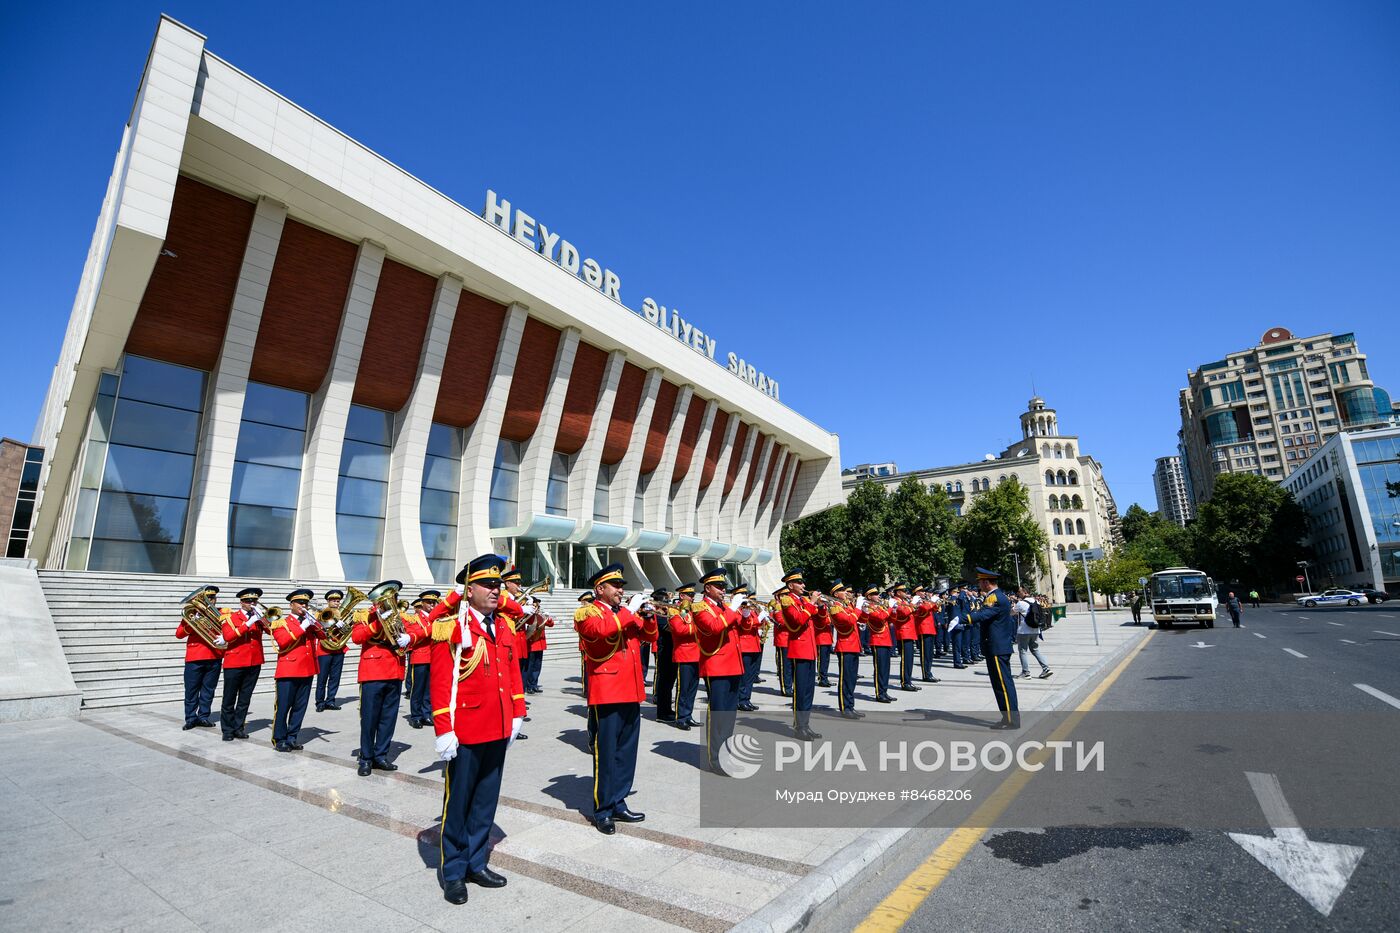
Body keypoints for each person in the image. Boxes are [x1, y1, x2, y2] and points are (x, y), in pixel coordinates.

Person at [427, 553, 525, 905]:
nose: (495, 590)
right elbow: (441, 682)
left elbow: (512, 672)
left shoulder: (504, 625)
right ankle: (454, 871)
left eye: (498, 584)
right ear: (469, 590)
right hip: (466, 730)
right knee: (458, 804)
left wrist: (517, 712)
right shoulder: (452, 626)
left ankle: (476, 862)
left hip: (497, 726)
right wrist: (443, 727)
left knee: (485, 801)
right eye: (487, 584)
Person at [576, 563, 657, 835]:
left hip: (631, 690)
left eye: (622, 586)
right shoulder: (588, 612)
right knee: (607, 753)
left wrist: (649, 616)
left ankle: (619, 802)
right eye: (616, 586)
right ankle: (603, 810)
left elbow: (650, 636)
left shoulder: (623, 612)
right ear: (600, 588)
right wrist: (629, 611)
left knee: (626, 752)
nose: (621, 590)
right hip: (608, 691)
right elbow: (599, 632)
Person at [351, 583, 416, 776]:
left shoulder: (401, 617)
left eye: (393, 597)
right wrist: (378, 623)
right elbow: (357, 637)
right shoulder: (364, 615)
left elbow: (416, 635)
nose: (390, 601)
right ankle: (366, 758)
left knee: (388, 718)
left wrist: (409, 638)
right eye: (386, 598)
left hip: (395, 671)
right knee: (369, 718)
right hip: (373, 672)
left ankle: (381, 755)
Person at [693, 569, 744, 772]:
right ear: (707, 588)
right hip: (717, 666)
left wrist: (745, 614)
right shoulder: (700, 608)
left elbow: (740, 628)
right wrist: (733, 609)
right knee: (718, 715)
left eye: (724, 587)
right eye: (719, 587)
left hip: (733, 665)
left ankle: (726, 755)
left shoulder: (724, 607)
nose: (723, 590)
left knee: (729, 716)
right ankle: (716, 759)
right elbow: (714, 627)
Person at [270, 589, 322, 752]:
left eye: (305, 603)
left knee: (300, 707)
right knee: (283, 707)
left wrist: (315, 623)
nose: (303, 606)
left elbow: (324, 636)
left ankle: (292, 737)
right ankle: (279, 739)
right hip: (288, 670)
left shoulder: (309, 621)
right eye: (300, 603)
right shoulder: (281, 623)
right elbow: (283, 641)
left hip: (307, 670)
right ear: (291, 605)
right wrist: (302, 626)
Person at [970, 568, 1019, 729]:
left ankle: (1012, 719)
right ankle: (1007, 717)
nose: (979, 585)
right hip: (995, 646)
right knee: (999, 684)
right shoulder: (995, 596)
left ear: (986, 582)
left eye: (980, 582)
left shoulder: (995, 597)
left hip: (997, 647)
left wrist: (964, 618)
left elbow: (984, 615)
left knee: (1003, 684)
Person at [219, 587, 267, 741]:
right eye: (248, 601)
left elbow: (272, 630)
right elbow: (228, 636)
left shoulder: (258, 618)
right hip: (235, 662)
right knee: (229, 698)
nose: (251, 603)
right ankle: (227, 730)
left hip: (254, 662)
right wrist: (248, 623)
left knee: (245, 698)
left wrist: (262, 618)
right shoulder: (231, 617)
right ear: (241, 602)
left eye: (254, 601)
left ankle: (238, 728)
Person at [778, 568, 820, 740]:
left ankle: (806, 724)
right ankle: (799, 726)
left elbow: (818, 618)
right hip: (799, 649)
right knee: (800, 691)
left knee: (809, 691)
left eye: (803, 582)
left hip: (809, 649)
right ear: (790, 585)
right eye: (799, 582)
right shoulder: (787, 600)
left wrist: (820, 606)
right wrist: (812, 603)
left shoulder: (803, 600)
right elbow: (798, 620)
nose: (803, 585)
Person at [176, 585, 224, 729]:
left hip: (214, 656)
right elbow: (179, 634)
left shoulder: (221, 613)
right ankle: (190, 718)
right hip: (195, 657)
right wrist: (192, 623)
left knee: (208, 690)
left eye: (212, 598)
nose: (210, 601)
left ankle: (203, 717)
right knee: (191, 690)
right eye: (207, 598)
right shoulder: (191, 614)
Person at [669, 585, 701, 730]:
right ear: (682, 596)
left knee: (693, 689)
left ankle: (688, 715)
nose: (692, 597)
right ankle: (680, 717)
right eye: (689, 595)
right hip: (684, 654)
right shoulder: (674, 610)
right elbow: (680, 630)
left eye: (693, 595)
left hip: (697, 653)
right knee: (683, 689)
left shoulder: (693, 610)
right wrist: (700, 627)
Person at [829, 584, 863, 719]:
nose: (846, 593)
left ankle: (850, 706)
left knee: (852, 679)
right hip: (845, 646)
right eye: (842, 591)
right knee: (846, 679)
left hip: (853, 645)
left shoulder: (846, 606)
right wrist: (858, 607)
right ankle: (845, 708)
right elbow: (849, 620)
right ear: (836, 594)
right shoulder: (836, 607)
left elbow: (860, 619)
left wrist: (865, 611)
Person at [406, 590, 440, 728]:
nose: (432, 605)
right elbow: (413, 635)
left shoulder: (437, 618)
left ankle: (427, 714)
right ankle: (416, 716)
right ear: (423, 603)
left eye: (434, 602)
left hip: (434, 657)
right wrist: (432, 628)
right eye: (429, 602)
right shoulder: (414, 619)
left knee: (429, 689)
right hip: (420, 657)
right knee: (418, 689)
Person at [651, 585, 684, 723]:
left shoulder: (666, 612)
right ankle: (662, 712)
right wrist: (680, 619)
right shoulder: (658, 613)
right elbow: (667, 627)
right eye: (665, 600)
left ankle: (667, 709)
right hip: (664, 649)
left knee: (670, 681)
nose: (667, 602)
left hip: (671, 649)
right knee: (664, 682)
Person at [315, 589, 349, 711]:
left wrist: (345, 626)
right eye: (333, 600)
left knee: (335, 678)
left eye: (338, 600)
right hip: (324, 650)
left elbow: (348, 630)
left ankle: (330, 701)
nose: (336, 602)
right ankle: (320, 702)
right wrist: (333, 624)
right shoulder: (321, 613)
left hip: (338, 649)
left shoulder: (343, 614)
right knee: (322, 678)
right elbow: (318, 627)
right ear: (328, 601)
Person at [733, 583, 764, 712]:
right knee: (744, 676)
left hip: (754, 645)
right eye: (742, 595)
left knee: (750, 676)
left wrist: (762, 617)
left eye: (745, 594)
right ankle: (741, 700)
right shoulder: (736, 610)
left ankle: (746, 699)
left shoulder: (749, 609)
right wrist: (758, 619)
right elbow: (744, 625)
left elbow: (756, 623)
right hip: (744, 646)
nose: (745, 597)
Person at [1013, 586, 1052, 680]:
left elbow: (1011, 612)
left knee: (1023, 651)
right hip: (1035, 629)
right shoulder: (1036, 602)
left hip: (1024, 631)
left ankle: (1026, 672)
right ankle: (1046, 668)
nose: (1018, 593)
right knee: (1035, 649)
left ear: (1025, 592)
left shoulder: (1021, 603)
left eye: (1019, 592)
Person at [862, 586, 894, 702]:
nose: (878, 596)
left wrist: (893, 610)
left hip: (886, 640)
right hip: (877, 640)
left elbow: (891, 619)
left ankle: (884, 691)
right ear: (869, 596)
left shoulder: (879, 606)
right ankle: (879, 693)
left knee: (886, 669)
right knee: (880, 669)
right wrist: (889, 608)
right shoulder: (868, 607)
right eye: (875, 594)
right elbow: (881, 617)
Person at [892, 583, 920, 691]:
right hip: (903, 633)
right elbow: (903, 612)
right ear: (898, 592)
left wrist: (915, 607)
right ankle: (905, 682)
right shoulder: (895, 601)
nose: (906, 593)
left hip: (909, 632)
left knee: (909, 659)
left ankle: (908, 681)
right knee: (905, 659)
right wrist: (913, 605)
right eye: (903, 591)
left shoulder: (904, 602)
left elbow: (912, 613)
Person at [916, 588, 940, 683]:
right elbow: (925, 608)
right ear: (917, 592)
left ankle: (929, 672)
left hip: (930, 628)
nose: (924, 593)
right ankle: (926, 674)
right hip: (923, 629)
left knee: (929, 653)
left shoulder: (926, 600)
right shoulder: (917, 600)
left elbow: (935, 609)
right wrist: (932, 602)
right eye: (922, 591)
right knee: (925, 653)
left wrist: (936, 603)